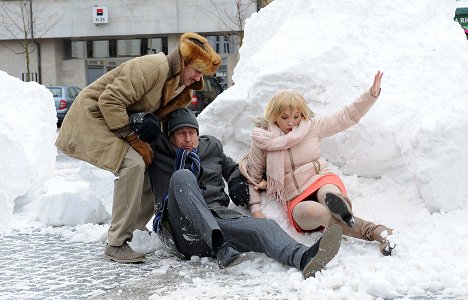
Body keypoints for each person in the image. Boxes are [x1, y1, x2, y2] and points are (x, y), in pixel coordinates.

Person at [55, 32, 222, 263]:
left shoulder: (181, 87)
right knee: (132, 163)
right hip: (93, 117)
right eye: (196, 70)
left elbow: (164, 124)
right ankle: (116, 244)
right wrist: (135, 142)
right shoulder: (152, 67)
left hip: (118, 121)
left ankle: (126, 229)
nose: (197, 78)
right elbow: (109, 101)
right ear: (183, 62)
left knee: (149, 163)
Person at [144, 108, 342, 279]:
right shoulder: (159, 152)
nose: (188, 139)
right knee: (182, 176)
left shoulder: (211, 147)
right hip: (182, 231)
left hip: (218, 222)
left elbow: (234, 168)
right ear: (170, 137)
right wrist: (143, 124)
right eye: (181, 133)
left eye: (191, 132)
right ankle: (219, 244)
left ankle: (303, 258)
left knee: (264, 226)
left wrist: (236, 181)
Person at [240, 71, 396, 256]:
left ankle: (371, 229)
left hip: (320, 179)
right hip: (295, 196)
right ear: (274, 115)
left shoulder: (311, 128)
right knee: (315, 212)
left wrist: (370, 95)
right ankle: (345, 221)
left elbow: (345, 117)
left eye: (296, 116)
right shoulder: (263, 140)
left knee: (330, 197)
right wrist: (256, 209)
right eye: (285, 117)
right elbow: (253, 176)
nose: (292, 122)